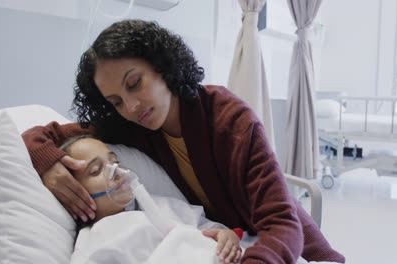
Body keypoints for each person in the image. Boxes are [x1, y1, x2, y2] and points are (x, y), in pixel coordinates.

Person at [22, 19, 345, 263]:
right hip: (225, 239)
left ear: (163, 67)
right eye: (116, 101)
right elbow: (46, 134)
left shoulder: (227, 119)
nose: (131, 107)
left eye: (135, 84)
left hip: (284, 244)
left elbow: (281, 222)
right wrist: (46, 161)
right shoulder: (131, 126)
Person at [60, 135, 242, 264]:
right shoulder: (94, 243)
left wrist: (226, 235)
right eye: (96, 170)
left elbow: (211, 229)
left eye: (115, 162)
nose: (115, 172)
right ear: (73, 194)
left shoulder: (160, 205)